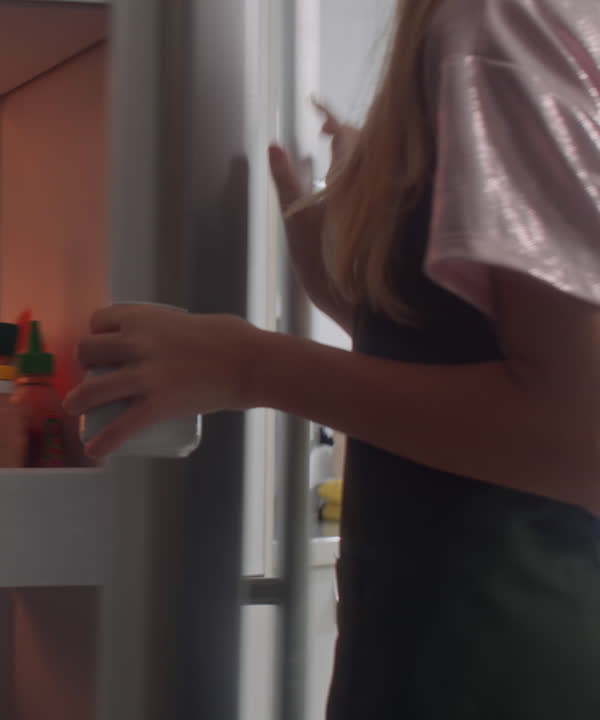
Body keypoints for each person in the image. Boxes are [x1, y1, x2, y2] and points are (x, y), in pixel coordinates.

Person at [63, 0, 600, 717]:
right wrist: (359, 288)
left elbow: (578, 430)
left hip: (498, 657)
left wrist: (247, 366)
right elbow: (502, 362)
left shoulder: (502, 16)